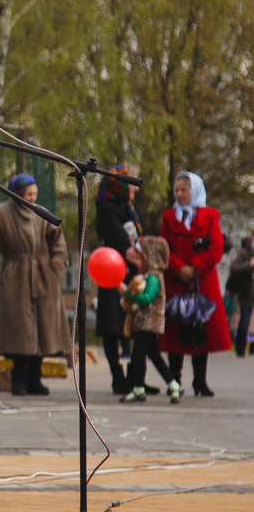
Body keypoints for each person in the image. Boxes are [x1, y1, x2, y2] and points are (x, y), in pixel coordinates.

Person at [0, 173, 70, 396]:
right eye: (28, 194)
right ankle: (18, 379)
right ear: (16, 193)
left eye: (35, 194)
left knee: (42, 329)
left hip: (44, 279)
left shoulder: (43, 215)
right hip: (15, 278)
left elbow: (60, 247)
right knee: (19, 330)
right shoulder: (2, 213)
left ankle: (35, 379)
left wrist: (55, 270)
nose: (32, 198)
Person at [159, 172, 232, 396]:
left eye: (184, 190)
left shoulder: (210, 215)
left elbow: (216, 248)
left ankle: (200, 381)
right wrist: (178, 268)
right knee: (176, 332)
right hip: (176, 280)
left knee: (201, 330)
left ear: (195, 191)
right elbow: (164, 248)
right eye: (177, 190)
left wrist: (194, 268)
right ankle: (175, 382)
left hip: (202, 280)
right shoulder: (169, 217)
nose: (179, 194)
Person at [93, 165, 157, 394]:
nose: (134, 189)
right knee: (113, 327)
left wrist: (141, 252)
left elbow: (144, 234)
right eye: (130, 184)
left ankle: (136, 378)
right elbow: (121, 241)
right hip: (113, 273)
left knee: (139, 326)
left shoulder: (129, 207)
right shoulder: (107, 208)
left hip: (135, 274)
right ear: (118, 185)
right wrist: (137, 251)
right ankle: (117, 378)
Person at [117, 237, 181, 403]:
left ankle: (139, 388)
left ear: (150, 258)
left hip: (149, 323)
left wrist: (126, 292)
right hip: (143, 323)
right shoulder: (146, 275)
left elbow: (146, 298)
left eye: (139, 259)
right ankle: (174, 385)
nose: (136, 263)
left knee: (138, 355)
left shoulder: (153, 277)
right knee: (155, 356)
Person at [226, 233, 254, 356]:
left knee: (248, 319)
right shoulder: (245, 252)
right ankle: (240, 347)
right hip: (246, 290)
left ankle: (249, 347)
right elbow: (235, 267)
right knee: (245, 318)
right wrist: (249, 264)